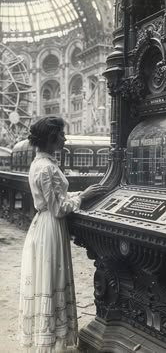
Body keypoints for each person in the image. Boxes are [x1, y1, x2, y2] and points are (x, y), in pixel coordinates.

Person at [18, 116, 107, 353]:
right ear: (51, 137)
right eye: (62, 134)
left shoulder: (40, 163)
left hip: (43, 225)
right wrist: (83, 196)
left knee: (47, 277)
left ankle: (51, 336)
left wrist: (77, 193)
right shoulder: (47, 167)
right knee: (53, 277)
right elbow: (58, 209)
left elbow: (54, 199)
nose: (65, 138)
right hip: (51, 228)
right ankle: (53, 339)